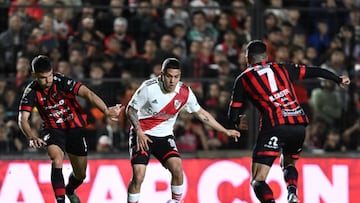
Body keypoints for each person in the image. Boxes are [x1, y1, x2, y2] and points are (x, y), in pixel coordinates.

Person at [227, 40, 350, 203]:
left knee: (258, 179)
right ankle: (292, 192)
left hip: (274, 125)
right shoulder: (283, 68)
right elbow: (314, 71)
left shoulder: (244, 79)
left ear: (247, 58)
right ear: (266, 56)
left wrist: (236, 122)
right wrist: (337, 79)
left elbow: (233, 113)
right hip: (298, 124)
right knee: (289, 163)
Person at [126, 57, 240, 203]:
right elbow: (131, 110)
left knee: (177, 169)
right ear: (161, 75)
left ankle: (175, 201)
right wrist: (139, 131)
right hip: (142, 134)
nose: (172, 81)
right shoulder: (148, 88)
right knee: (138, 176)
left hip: (164, 136)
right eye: (169, 76)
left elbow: (201, 113)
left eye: (176, 77)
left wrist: (225, 130)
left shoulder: (184, 92)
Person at [18, 55, 122, 203]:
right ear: (34, 75)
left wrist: (106, 110)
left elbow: (88, 94)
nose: (48, 81)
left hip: (74, 127)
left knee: (80, 175)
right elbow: (22, 119)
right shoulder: (31, 92)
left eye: (50, 76)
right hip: (52, 128)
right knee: (56, 158)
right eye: (43, 78)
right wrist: (31, 136)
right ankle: (60, 200)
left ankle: (69, 190)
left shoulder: (61, 81)